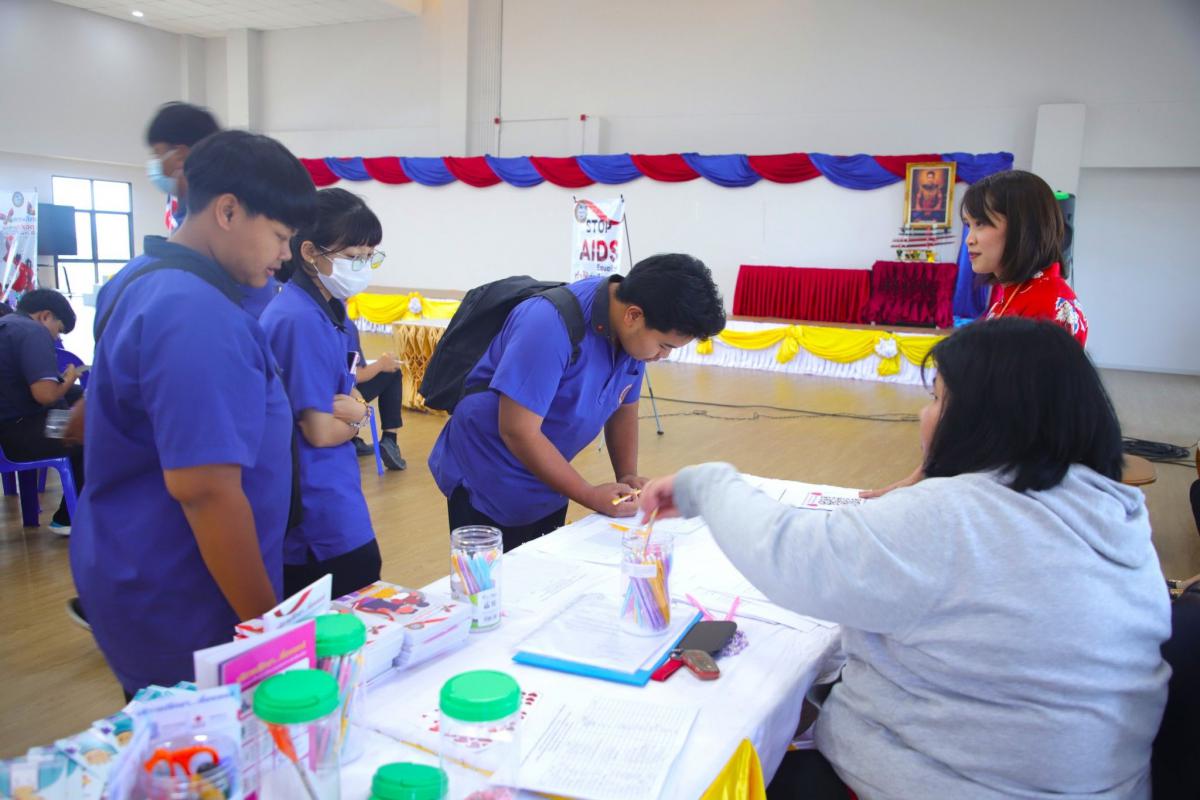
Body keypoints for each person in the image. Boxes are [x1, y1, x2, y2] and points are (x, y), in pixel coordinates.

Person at [639, 318, 1170, 800]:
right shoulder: (1112, 512)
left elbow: (792, 556)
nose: (923, 414)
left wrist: (706, 484)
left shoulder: (955, 518)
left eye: (937, 398)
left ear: (984, 418)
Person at [70, 130, 317, 697]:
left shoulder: (144, 277)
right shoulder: (195, 314)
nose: (285, 256)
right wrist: (268, 633)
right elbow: (206, 491)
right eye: (280, 236)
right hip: (185, 590)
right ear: (228, 211)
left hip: (135, 563)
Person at [428, 254, 726, 553]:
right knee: (490, 577)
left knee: (544, 568)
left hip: (549, 473)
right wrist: (588, 493)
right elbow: (517, 430)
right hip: (490, 473)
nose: (664, 356)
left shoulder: (633, 332)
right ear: (633, 316)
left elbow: (624, 407)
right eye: (664, 346)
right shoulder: (548, 324)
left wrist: (627, 475)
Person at [864, 168, 1087, 498]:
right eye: (968, 224)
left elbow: (1018, 421)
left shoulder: (1044, 305)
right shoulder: (1013, 291)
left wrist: (932, 479)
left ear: (1024, 227)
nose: (969, 238)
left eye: (982, 224)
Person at [260, 188, 383, 598]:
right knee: (352, 589)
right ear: (310, 252)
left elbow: (345, 394)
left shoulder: (333, 311)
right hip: (313, 498)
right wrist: (360, 418)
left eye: (369, 257)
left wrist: (353, 411)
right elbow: (319, 430)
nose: (362, 267)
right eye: (354, 256)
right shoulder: (298, 319)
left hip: (336, 484)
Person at [144, 101, 280, 318]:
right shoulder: (188, 215)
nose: (155, 164)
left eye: (157, 153)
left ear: (180, 154)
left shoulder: (227, 221)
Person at [0, 289, 83, 534]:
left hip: (10, 429)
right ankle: (68, 517)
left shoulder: (8, 325)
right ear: (45, 316)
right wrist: (68, 379)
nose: (56, 337)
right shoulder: (33, 332)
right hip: (20, 433)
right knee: (88, 433)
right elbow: (45, 395)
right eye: (58, 329)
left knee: (77, 398)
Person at [345, 317, 407, 470]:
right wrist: (381, 364)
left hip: (308, 397)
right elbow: (354, 375)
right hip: (339, 398)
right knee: (392, 371)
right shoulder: (344, 324)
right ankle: (390, 439)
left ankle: (351, 439)